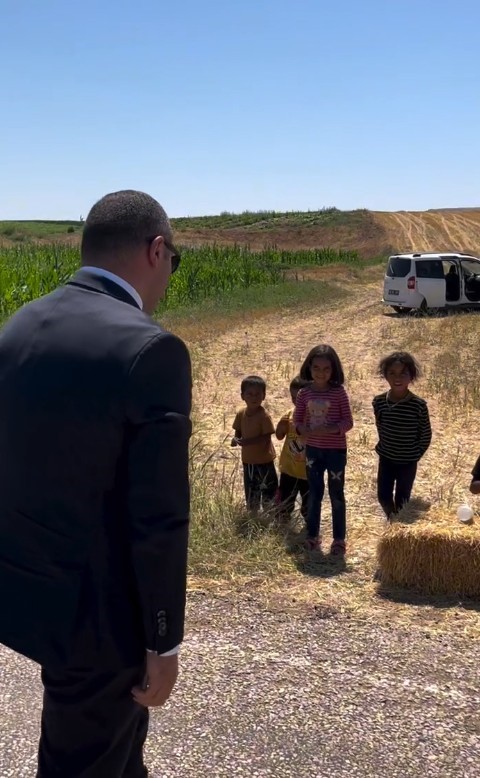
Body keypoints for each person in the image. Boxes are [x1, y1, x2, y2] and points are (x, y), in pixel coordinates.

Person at [0, 190, 192, 777]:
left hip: (30, 592)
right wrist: (163, 642)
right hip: (101, 620)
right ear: (156, 250)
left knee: (114, 753)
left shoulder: (21, 324)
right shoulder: (151, 348)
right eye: (174, 260)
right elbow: (159, 517)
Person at [294, 345, 353, 555]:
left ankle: (339, 539)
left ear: (334, 369)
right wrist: (302, 430)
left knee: (336, 494)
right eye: (316, 368)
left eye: (326, 368)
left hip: (335, 452)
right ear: (309, 367)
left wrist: (331, 429)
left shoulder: (338, 392)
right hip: (313, 451)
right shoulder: (304, 393)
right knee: (314, 493)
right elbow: (297, 419)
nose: (321, 373)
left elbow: (348, 422)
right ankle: (312, 535)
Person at [372, 351, 431, 519]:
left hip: (408, 462)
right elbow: (380, 426)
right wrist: (386, 446)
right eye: (392, 373)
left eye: (403, 373)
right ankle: (392, 520)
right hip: (386, 459)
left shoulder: (418, 405)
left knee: (402, 499)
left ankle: (398, 523)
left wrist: (415, 454)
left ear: (411, 376)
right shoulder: (379, 402)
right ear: (385, 375)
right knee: (383, 496)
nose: (397, 378)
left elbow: (425, 434)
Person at [231, 375, 278, 512]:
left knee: (268, 491)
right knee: (251, 490)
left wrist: (247, 442)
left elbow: (266, 437)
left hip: (264, 461)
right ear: (242, 396)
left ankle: (270, 515)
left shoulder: (264, 416)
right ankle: (253, 516)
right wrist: (235, 439)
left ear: (264, 396)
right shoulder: (241, 413)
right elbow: (238, 430)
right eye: (249, 394)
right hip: (248, 461)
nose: (254, 397)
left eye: (258, 394)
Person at [275, 376, 310, 521]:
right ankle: (282, 522)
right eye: (293, 398)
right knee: (285, 500)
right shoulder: (289, 416)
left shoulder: (317, 419)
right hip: (289, 468)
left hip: (309, 472)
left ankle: (310, 526)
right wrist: (281, 427)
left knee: (309, 503)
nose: (296, 402)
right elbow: (279, 436)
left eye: (301, 398)